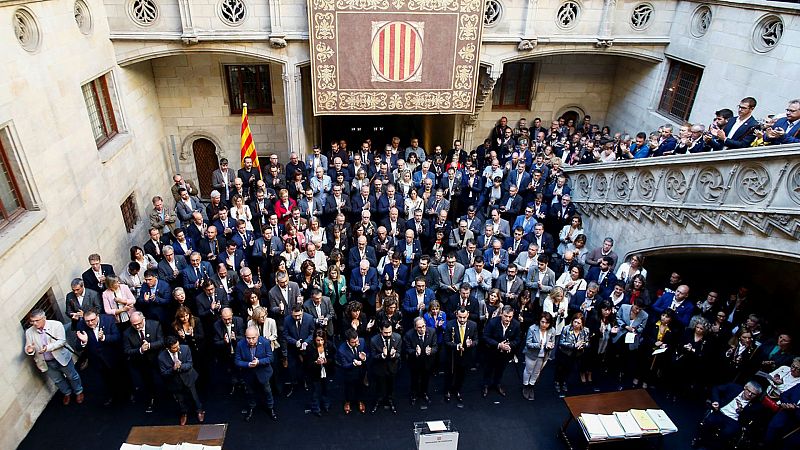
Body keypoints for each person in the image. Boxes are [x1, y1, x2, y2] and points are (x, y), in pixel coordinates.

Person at [24, 309, 84, 405]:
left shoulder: (56, 325)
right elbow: (28, 347)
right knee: (57, 380)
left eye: (37, 320)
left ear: (44, 318)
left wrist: (47, 348)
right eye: (32, 321)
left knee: (72, 376)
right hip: (46, 362)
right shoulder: (29, 332)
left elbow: (61, 341)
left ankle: (78, 391)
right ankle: (67, 393)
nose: (34, 323)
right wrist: (29, 350)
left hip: (61, 358)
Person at [693, 382, 764, 448]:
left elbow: (748, 420)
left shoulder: (756, 406)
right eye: (748, 391)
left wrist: (742, 411)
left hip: (734, 420)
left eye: (753, 394)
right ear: (745, 387)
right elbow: (716, 389)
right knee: (709, 421)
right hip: (721, 412)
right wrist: (716, 400)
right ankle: (700, 440)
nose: (749, 394)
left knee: (727, 433)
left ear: (757, 395)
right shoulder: (734, 388)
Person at [123, 311, 164, 412]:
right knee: (147, 381)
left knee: (164, 377)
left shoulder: (155, 325)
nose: (137, 327)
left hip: (157, 358)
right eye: (134, 325)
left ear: (143, 319)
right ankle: (151, 398)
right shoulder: (127, 333)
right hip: (141, 361)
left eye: (139, 324)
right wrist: (140, 350)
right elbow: (127, 350)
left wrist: (149, 346)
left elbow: (162, 342)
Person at [159, 335, 204, 425]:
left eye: (178, 345)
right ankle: (184, 413)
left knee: (194, 396)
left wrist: (181, 366)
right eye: (175, 348)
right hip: (174, 381)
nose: (178, 348)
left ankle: (199, 411)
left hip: (188, 377)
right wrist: (173, 369)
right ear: (168, 348)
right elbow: (164, 373)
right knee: (180, 400)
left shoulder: (185, 348)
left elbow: (190, 363)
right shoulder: (161, 357)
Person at [236, 326, 278, 421]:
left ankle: (270, 408)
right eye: (248, 338)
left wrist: (259, 362)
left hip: (263, 372)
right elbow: (237, 361)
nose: (250, 341)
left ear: (258, 336)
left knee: (267, 391)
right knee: (249, 392)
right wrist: (248, 364)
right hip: (248, 373)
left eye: (253, 338)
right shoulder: (240, 344)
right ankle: (251, 407)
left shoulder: (265, 342)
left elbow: (271, 358)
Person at [482, 305, 521, 398]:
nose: (507, 319)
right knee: (489, 369)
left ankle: (497, 384)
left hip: (505, 353)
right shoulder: (492, 322)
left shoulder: (516, 324)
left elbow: (518, 339)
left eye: (510, 317)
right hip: (492, 351)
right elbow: (485, 337)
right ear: (501, 314)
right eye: (505, 316)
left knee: (501, 369)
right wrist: (499, 345)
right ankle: (486, 385)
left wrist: (509, 345)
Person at [443, 307, 478, 408]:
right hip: (453, 356)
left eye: (464, 317)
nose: (462, 320)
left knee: (461, 375)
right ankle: (448, 391)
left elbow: (476, 340)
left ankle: (457, 390)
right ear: (456, 315)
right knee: (450, 374)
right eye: (460, 317)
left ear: (467, 315)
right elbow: (446, 341)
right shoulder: (450, 325)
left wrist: (471, 344)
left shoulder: (473, 325)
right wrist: (456, 346)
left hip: (466, 356)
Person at [404, 316, 438, 409]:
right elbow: (407, 349)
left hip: (427, 361)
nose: (422, 329)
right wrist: (415, 352)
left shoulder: (432, 332)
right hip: (415, 361)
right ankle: (414, 395)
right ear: (415, 327)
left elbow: (435, 347)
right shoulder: (409, 335)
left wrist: (431, 351)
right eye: (419, 327)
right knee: (414, 379)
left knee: (426, 378)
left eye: (423, 326)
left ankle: (424, 393)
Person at [523, 312, 557, 400]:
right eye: (542, 322)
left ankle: (531, 386)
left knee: (536, 372)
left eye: (547, 323)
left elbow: (552, 342)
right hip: (532, 354)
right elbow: (528, 343)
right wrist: (538, 345)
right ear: (539, 321)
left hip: (544, 355)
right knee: (528, 371)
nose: (544, 325)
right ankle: (525, 386)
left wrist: (550, 346)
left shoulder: (552, 330)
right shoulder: (532, 328)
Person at [555, 313, 590, 397]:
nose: (576, 324)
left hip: (576, 354)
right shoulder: (566, 329)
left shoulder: (585, 330)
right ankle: (557, 382)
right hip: (564, 353)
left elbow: (588, 342)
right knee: (560, 369)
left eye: (578, 323)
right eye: (575, 322)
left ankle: (564, 382)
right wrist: (574, 345)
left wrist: (583, 345)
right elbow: (561, 342)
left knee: (569, 369)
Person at [369, 321, 401, 414]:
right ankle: (379, 400)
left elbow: (399, 353)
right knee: (379, 386)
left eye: (390, 332)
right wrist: (382, 355)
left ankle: (390, 400)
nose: (388, 334)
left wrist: (393, 355)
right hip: (379, 367)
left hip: (392, 367)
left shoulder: (397, 337)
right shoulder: (374, 340)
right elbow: (373, 356)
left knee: (391, 385)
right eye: (385, 332)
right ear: (380, 330)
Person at [213, 308, 245, 395]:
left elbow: (244, 338)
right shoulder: (216, 325)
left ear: (232, 315)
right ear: (221, 317)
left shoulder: (239, 321)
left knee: (242, 370)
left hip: (239, 352)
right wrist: (224, 342)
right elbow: (215, 343)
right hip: (226, 354)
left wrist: (236, 338)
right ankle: (234, 386)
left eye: (229, 319)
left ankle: (243, 385)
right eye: (225, 319)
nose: (227, 321)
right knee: (230, 371)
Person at [304, 329, 336, 416]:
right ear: (314, 339)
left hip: (327, 371)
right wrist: (316, 362)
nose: (320, 342)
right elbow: (307, 363)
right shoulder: (310, 347)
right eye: (318, 340)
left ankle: (326, 404)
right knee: (315, 391)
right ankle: (316, 408)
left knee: (326, 389)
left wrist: (326, 361)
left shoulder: (329, 345)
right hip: (314, 373)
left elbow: (334, 359)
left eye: (322, 340)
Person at [336, 329, 369, 414]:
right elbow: (344, 365)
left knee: (360, 387)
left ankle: (360, 401)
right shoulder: (341, 350)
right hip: (349, 373)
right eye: (353, 342)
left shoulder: (362, 341)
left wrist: (364, 358)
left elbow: (368, 353)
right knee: (348, 389)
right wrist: (353, 364)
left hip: (361, 371)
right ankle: (348, 402)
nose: (357, 343)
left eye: (357, 340)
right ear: (347, 341)